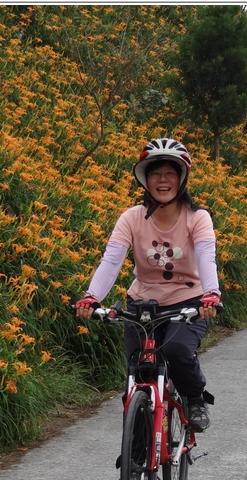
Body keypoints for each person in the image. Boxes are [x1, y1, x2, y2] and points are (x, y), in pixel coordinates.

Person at [75, 138, 221, 432]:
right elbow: (112, 260)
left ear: (182, 178)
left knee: (179, 350)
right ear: (145, 179)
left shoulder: (197, 217)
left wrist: (211, 294)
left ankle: (194, 397)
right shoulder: (131, 217)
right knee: (138, 373)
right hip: (142, 305)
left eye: (170, 173)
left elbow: (206, 257)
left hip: (189, 302)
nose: (162, 180)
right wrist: (92, 297)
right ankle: (136, 459)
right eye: (155, 173)